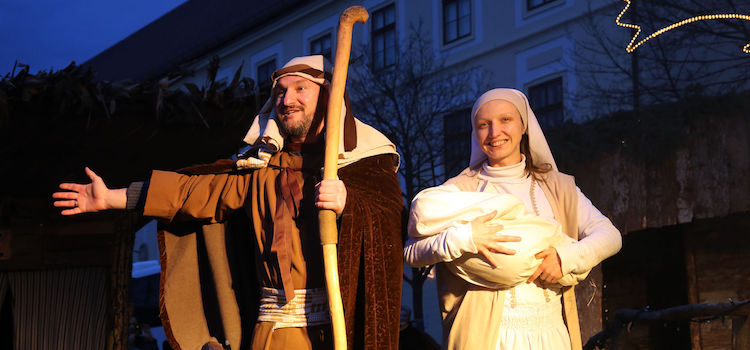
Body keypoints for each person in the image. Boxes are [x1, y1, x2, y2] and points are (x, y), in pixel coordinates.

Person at [53, 55, 405, 350]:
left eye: (301, 89)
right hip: (272, 336)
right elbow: (190, 193)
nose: (287, 99)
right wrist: (112, 197)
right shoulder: (259, 170)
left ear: (329, 98)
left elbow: (390, 221)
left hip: (337, 332)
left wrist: (350, 203)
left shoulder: (364, 164)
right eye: (281, 91)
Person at [403, 88, 622, 350]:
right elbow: (412, 252)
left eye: (505, 120)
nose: (495, 133)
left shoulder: (557, 187)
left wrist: (565, 259)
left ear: (524, 126)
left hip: (550, 333)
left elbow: (610, 236)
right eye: (484, 125)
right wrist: (464, 238)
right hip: (486, 335)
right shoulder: (460, 189)